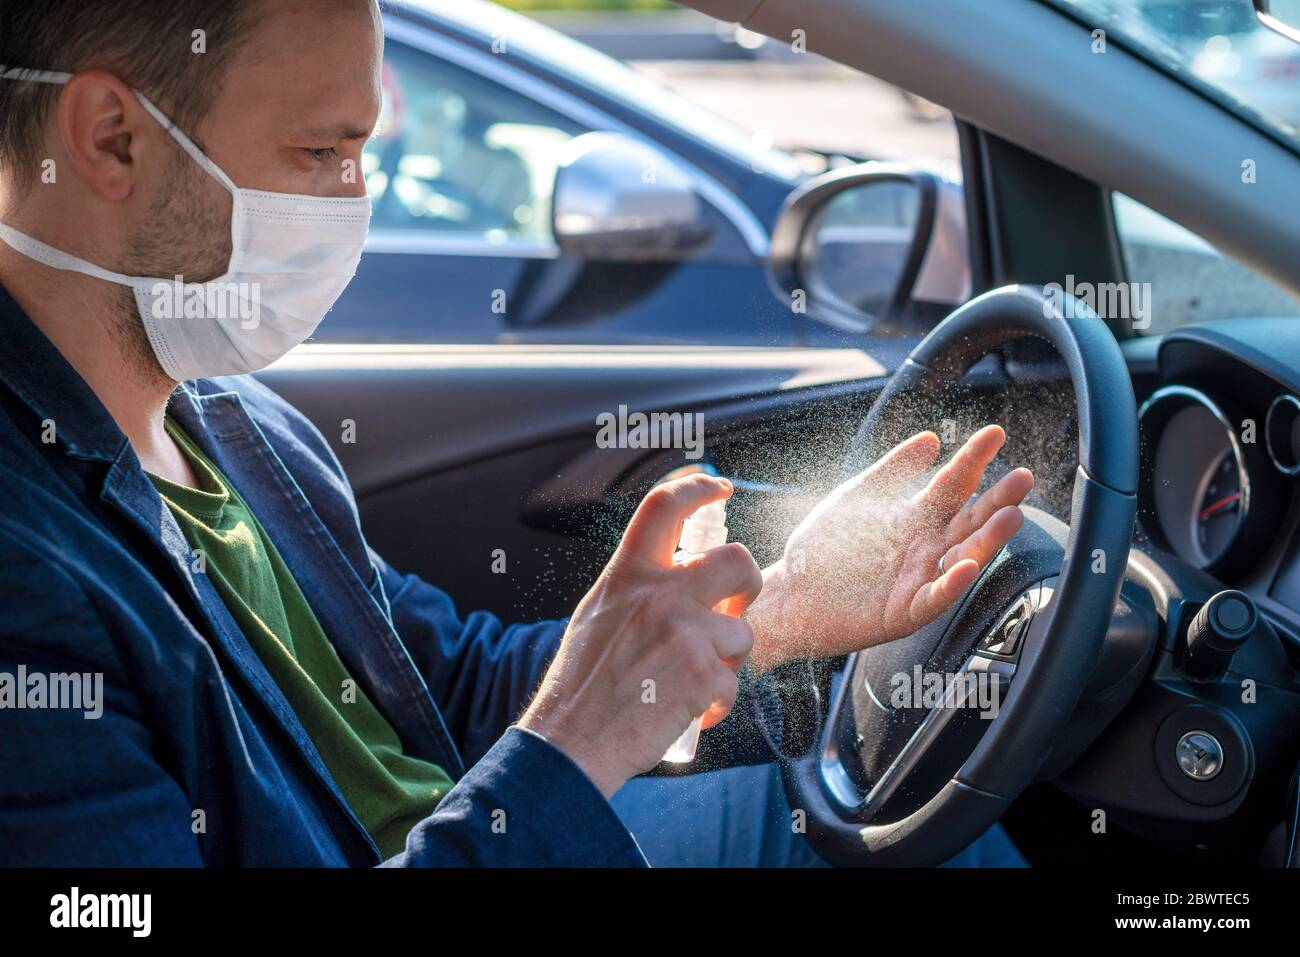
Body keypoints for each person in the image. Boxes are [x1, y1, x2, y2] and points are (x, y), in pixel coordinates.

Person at [0, 0, 1033, 866]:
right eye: (319, 152)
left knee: (855, 812)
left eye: (365, 151)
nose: (354, 203)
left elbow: (448, 690)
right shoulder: (23, 577)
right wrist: (572, 745)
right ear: (111, 140)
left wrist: (779, 614)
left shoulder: (228, 416)